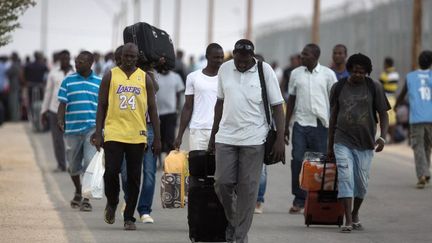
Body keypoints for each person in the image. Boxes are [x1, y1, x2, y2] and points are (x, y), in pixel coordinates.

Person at [208, 39, 285, 243]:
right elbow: (220, 103)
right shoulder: (225, 69)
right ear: (233, 54)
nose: (241, 63)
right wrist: (213, 135)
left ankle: (239, 236)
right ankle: (234, 222)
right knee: (222, 183)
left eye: (245, 59)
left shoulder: (264, 70)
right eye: (238, 59)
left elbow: (278, 106)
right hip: (226, 137)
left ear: (252, 56)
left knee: (248, 189)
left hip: (255, 138)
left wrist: (279, 139)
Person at [91, 43, 161, 230]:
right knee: (112, 172)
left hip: (137, 135)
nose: (129, 59)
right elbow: (101, 105)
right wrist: (99, 132)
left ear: (137, 58)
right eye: (126, 56)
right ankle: (112, 201)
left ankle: (129, 217)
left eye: (132, 56)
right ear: (120, 57)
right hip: (114, 132)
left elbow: (153, 110)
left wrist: (158, 138)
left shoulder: (144, 78)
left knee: (133, 177)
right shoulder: (110, 75)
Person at [328, 53, 390, 232]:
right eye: (355, 71)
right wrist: (329, 144)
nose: (358, 75)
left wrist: (382, 137)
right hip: (342, 140)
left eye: (362, 72)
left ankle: (355, 213)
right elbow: (333, 117)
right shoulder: (338, 87)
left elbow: (384, 114)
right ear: (349, 70)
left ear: (367, 73)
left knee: (361, 183)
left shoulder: (374, 87)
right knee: (346, 178)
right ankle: (347, 219)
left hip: (366, 142)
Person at [284, 43, 338, 214]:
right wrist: (286, 125)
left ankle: (317, 200)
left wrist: (335, 125)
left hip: (321, 125)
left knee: (320, 164)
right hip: (300, 123)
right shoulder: (295, 74)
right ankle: (299, 200)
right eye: (302, 54)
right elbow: (291, 100)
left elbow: (335, 101)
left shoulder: (328, 75)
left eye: (305, 54)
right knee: (298, 160)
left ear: (315, 56)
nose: (302, 56)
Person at [57, 51, 100, 212]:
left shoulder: (99, 82)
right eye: (76, 61)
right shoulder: (68, 81)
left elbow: (103, 107)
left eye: (81, 62)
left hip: (92, 129)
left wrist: (101, 129)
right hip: (72, 129)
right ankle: (77, 190)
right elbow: (62, 103)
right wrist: (60, 120)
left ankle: (86, 198)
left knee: (89, 164)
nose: (77, 64)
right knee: (73, 167)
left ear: (90, 63)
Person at [174, 43, 224, 151]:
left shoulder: (225, 78)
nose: (219, 60)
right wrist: (180, 135)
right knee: (198, 167)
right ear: (207, 57)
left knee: (216, 167)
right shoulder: (193, 77)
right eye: (216, 57)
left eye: (221, 57)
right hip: (197, 131)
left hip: (220, 131)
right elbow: (187, 107)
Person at [394, 50, 432, 189]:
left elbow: (403, 93)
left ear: (418, 61)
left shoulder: (411, 76)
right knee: (427, 146)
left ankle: (422, 174)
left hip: (417, 118)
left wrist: (396, 105)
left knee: (418, 146)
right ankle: (425, 172)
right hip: (431, 118)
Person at [41, 50, 73, 172]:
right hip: (54, 110)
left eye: (67, 58)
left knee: (71, 140)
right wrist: (43, 111)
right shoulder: (53, 73)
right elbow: (48, 92)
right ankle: (61, 165)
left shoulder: (75, 73)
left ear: (69, 58)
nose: (65, 60)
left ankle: (73, 165)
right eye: (62, 59)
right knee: (57, 140)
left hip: (71, 111)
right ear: (59, 60)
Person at [156, 69, 184, 155]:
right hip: (157, 114)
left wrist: (179, 109)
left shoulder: (176, 77)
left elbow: (179, 94)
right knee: (158, 139)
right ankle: (159, 162)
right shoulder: (156, 76)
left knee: (170, 140)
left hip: (171, 113)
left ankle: (169, 162)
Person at [379, 57, 400, 143]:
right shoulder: (396, 74)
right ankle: (392, 138)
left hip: (386, 98)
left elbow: (380, 86)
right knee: (393, 119)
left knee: (385, 118)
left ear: (386, 64)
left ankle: (389, 139)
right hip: (393, 97)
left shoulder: (384, 75)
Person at [6, 52, 23, 121]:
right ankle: (16, 117)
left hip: (13, 86)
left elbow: (8, 73)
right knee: (16, 103)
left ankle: (14, 118)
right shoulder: (18, 64)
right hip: (17, 85)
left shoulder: (14, 65)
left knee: (13, 102)